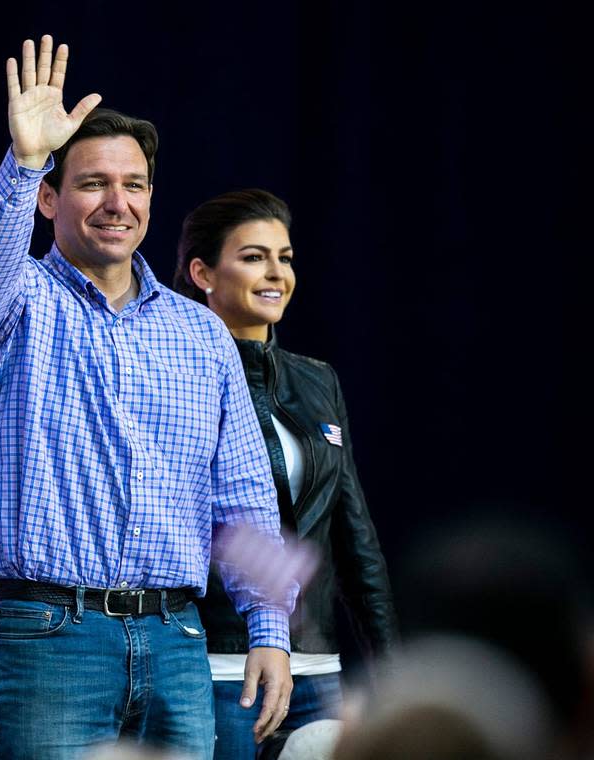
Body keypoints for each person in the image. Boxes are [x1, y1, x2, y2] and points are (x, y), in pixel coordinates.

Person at [0, 36, 296, 760]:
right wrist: (24, 159)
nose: (117, 203)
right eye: (92, 183)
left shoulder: (198, 330)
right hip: (50, 640)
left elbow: (244, 494)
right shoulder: (11, 303)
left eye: (133, 184)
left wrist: (270, 630)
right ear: (49, 198)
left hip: (176, 640)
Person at [172, 189, 398, 758]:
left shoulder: (317, 379)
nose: (276, 273)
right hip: (216, 663)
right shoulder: (171, 374)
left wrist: (391, 665)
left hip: (316, 667)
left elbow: (354, 536)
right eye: (253, 257)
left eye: (285, 257)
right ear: (202, 272)